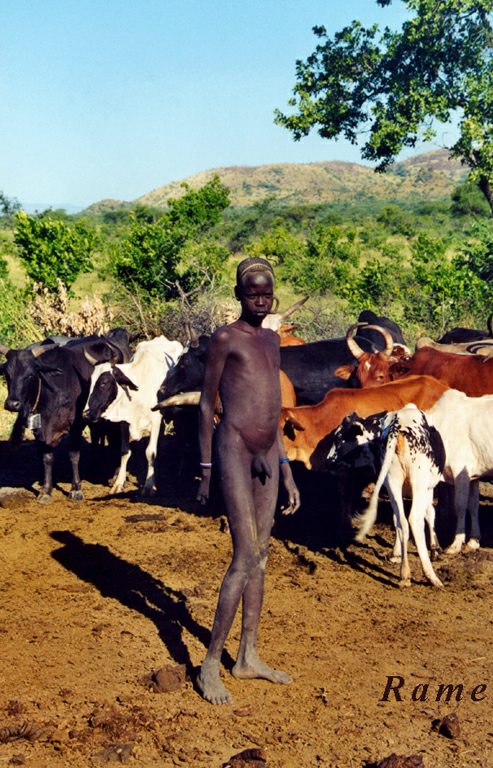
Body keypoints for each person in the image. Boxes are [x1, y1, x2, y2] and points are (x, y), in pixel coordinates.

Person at [196, 256, 301, 705]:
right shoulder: (226, 338)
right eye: (252, 293)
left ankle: (247, 656)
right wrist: (205, 469)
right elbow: (207, 404)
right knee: (243, 555)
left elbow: (273, 408)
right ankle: (209, 663)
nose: (260, 300)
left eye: (266, 293)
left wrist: (285, 467)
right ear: (239, 295)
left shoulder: (273, 340)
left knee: (261, 556)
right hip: (234, 451)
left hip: (267, 453)